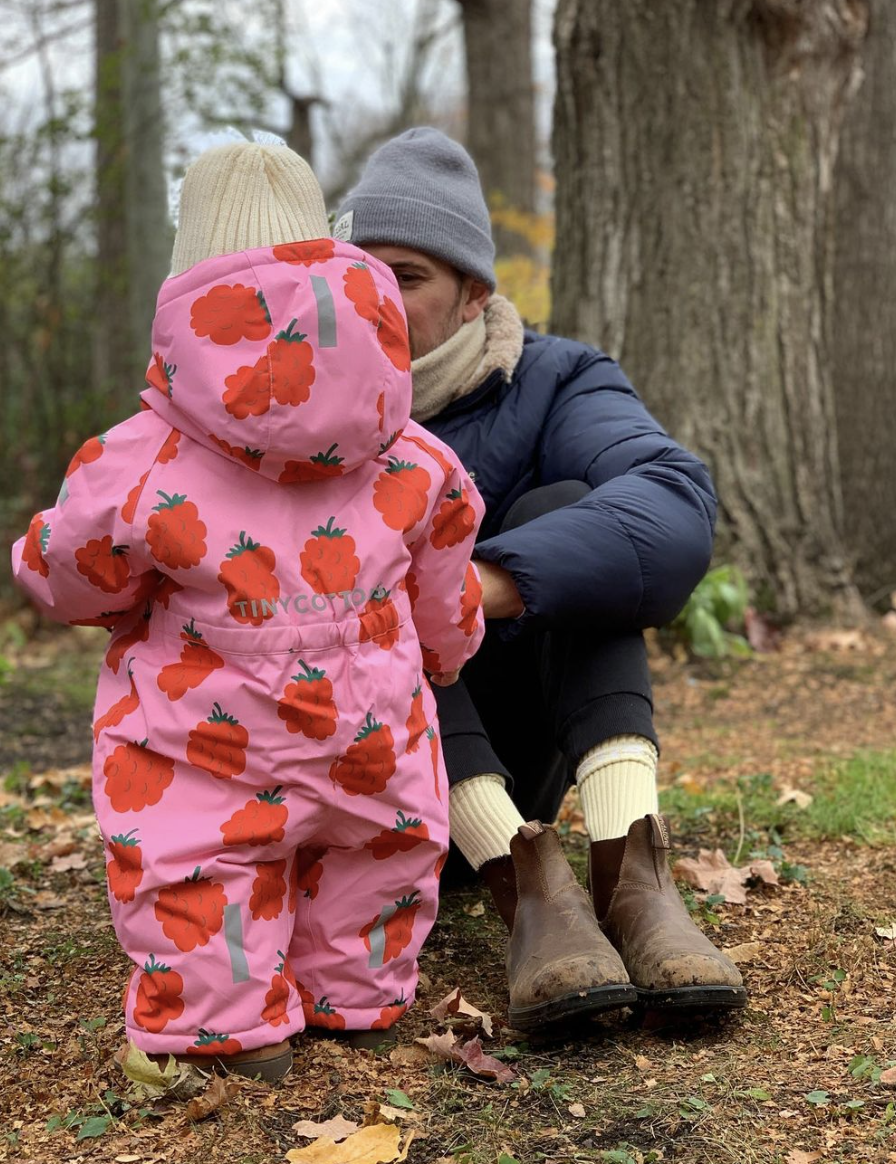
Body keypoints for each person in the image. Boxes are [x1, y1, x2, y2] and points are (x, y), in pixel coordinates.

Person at [10, 140, 485, 1081]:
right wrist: (446, 654)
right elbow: (447, 604)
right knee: (377, 854)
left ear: (189, 288)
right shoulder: (416, 457)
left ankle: (220, 1024)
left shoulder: (139, 459)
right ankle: (353, 995)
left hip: (204, 752)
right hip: (373, 742)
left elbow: (71, 580)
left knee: (194, 866)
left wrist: (45, 552)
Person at [333, 128, 746, 1032]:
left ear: (476, 292)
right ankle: (524, 892)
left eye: (403, 278)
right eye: (355, 273)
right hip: (353, 777)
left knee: (573, 514)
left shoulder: (558, 378)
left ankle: (628, 877)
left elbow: (674, 506)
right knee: (368, 564)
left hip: (514, 741)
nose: (370, 301)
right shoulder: (294, 406)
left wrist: (483, 583)